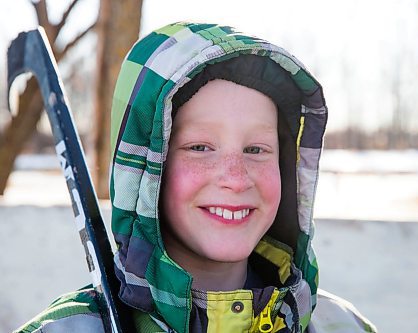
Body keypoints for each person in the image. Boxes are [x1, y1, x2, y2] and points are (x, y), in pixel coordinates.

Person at [15, 22, 377, 332]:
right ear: (146, 171)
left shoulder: (339, 324)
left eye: (256, 150)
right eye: (200, 148)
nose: (235, 179)